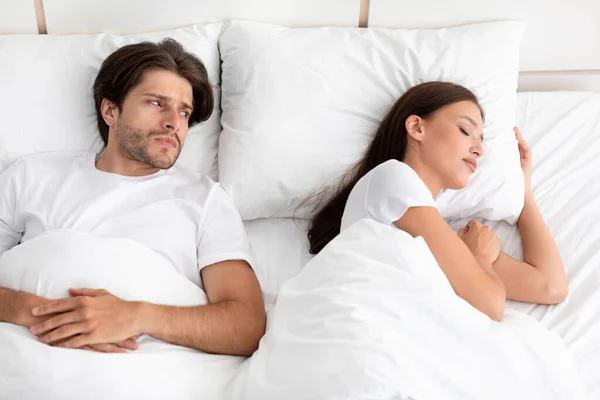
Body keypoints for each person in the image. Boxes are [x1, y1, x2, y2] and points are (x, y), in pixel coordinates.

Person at [0, 39, 266, 356]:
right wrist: (45, 314)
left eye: (184, 112)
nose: (174, 122)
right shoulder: (32, 176)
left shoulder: (205, 200)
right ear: (111, 109)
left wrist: (134, 316)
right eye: (156, 103)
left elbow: (246, 326)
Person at [307, 81, 569, 321]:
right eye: (466, 130)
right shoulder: (392, 177)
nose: (479, 149)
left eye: (481, 140)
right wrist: (480, 261)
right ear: (417, 128)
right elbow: (490, 305)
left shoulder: (448, 239)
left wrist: (524, 195)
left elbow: (551, 287)